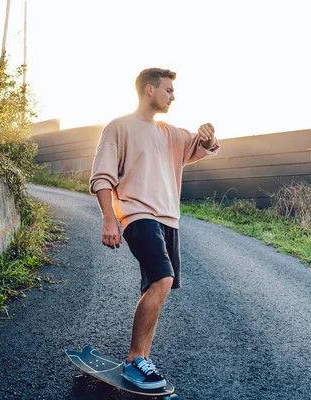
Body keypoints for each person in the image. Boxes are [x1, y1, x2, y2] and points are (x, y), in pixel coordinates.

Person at [89, 68, 220, 389]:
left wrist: (209, 135)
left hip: (168, 219)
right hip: (137, 214)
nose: (174, 96)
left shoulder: (170, 133)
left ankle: (141, 358)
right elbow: (102, 176)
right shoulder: (118, 127)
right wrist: (109, 218)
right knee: (163, 278)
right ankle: (135, 360)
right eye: (169, 90)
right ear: (150, 90)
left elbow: (204, 146)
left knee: (157, 287)